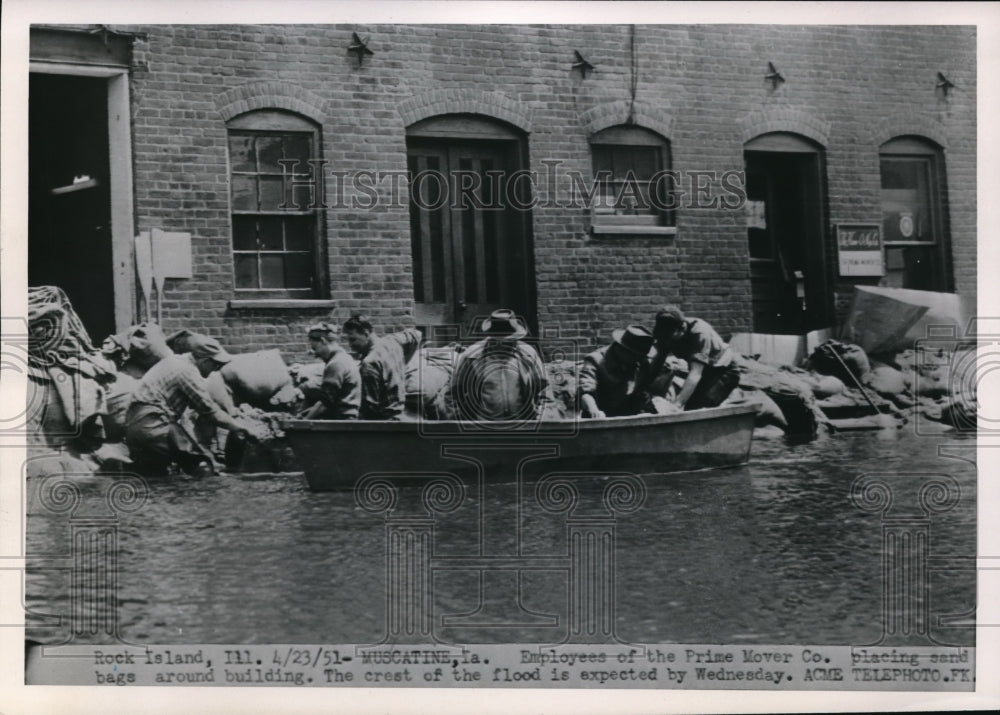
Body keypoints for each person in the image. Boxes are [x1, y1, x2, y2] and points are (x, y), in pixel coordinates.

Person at [124, 335, 250, 476]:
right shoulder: (187, 371)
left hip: (137, 426)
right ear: (204, 360)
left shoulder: (176, 361)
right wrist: (242, 428)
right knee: (201, 465)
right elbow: (210, 412)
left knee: (156, 478)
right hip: (154, 424)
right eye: (216, 364)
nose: (216, 369)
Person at [448, 309, 547, 421]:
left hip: (522, 424)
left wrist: (539, 418)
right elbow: (452, 394)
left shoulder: (529, 354)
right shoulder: (472, 356)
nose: (504, 344)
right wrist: (463, 421)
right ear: (491, 336)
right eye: (498, 340)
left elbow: (545, 391)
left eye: (510, 340)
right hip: (484, 427)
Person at [650, 305, 740, 410]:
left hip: (723, 371)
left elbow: (695, 373)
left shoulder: (699, 332)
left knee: (695, 410)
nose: (667, 341)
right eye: (664, 337)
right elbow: (657, 362)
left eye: (670, 337)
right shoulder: (665, 332)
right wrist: (641, 389)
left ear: (682, 328)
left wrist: (677, 404)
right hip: (703, 371)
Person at [341, 316, 421, 421]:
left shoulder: (369, 363)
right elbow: (417, 335)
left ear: (365, 333)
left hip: (386, 420)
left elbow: (369, 408)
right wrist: (404, 363)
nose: (350, 345)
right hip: (400, 412)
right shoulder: (392, 340)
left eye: (353, 339)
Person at [578, 325, 656, 419]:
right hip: (599, 419)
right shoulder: (595, 360)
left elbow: (642, 389)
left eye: (641, 357)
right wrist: (594, 410)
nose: (639, 360)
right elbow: (585, 393)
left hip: (629, 419)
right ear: (622, 349)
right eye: (635, 356)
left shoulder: (641, 362)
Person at [298, 322, 361, 420]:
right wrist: (306, 413)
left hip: (341, 421)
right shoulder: (344, 358)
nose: (315, 354)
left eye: (315, 348)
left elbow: (325, 403)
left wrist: (304, 422)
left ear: (323, 341)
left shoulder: (336, 364)